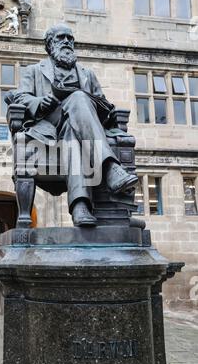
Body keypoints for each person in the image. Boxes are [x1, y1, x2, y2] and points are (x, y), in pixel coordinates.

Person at [14, 24, 138, 226]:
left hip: (77, 129)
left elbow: (103, 102)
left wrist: (103, 108)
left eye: (70, 39)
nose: (67, 42)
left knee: (75, 126)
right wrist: (39, 102)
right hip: (48, 126)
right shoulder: (34, 71)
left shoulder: (87, 74)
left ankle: (80, 206)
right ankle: (109, 167)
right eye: (61, 38)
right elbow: (20, 97)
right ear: (49, 44)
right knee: (78, 97)